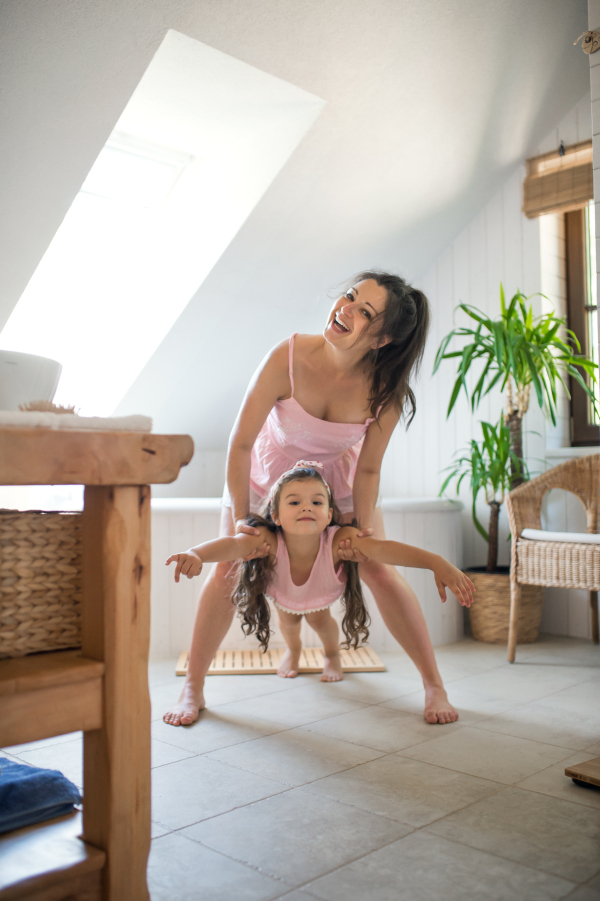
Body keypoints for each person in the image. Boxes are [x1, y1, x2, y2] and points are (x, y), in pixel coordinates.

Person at [163, 270, 460, 727]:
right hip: (264, 472)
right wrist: (244, 517)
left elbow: (369, 468)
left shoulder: (386, 391)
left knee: (378, 567)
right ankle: (193, 688)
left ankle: (433, 684)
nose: (345, 310)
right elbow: (239, 442)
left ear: (382, 339)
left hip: (337, 479)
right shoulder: (287, 356)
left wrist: (359, 529)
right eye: (349, 297)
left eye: (365, 313)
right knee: (227, 568)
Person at [166, 464, 474, 684]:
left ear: (329, 514)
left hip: (319, 594)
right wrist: (197, 554)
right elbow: (232, 546)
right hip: (285, 596)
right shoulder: (267, 540)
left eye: (316, 502)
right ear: (276, 515)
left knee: (321, 623)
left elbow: (384, 550)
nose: (306, 507)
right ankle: (294, 649)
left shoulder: (339, 540)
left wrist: (436, 561)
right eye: (294, 502)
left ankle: (331, 655)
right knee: (288, 623)